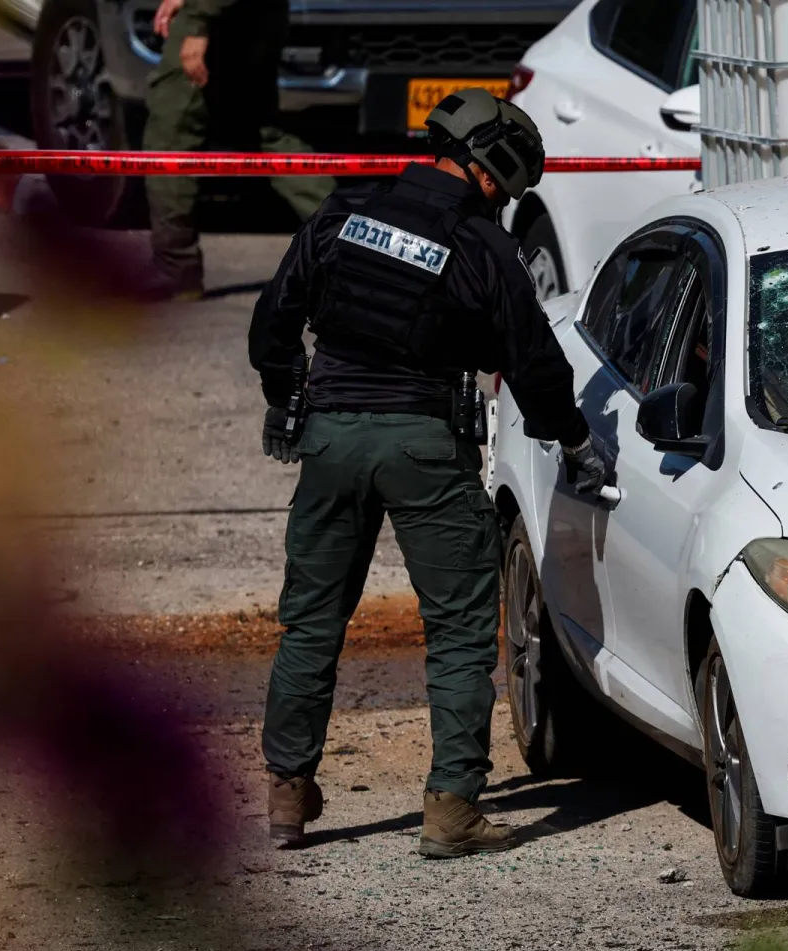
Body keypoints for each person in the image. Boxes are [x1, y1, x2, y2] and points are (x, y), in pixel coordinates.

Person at [248, 89, 607, 856]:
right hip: (423, 445)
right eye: (507, 190)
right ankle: (450, 809)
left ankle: (286, 793)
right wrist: (573, 438)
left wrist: (290, 397)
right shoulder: (482, 247)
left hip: (331, 437)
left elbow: (272, 320)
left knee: (310, 620)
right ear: (492, 171)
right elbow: (534, 365)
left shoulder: (344, 215)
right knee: (458, 626)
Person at [141, 0, 334, 300]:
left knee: (172, 133)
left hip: (220, 17)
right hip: (254, 14)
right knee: (265, 131)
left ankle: (176, 267)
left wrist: (197, 20)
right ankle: (352, 251)